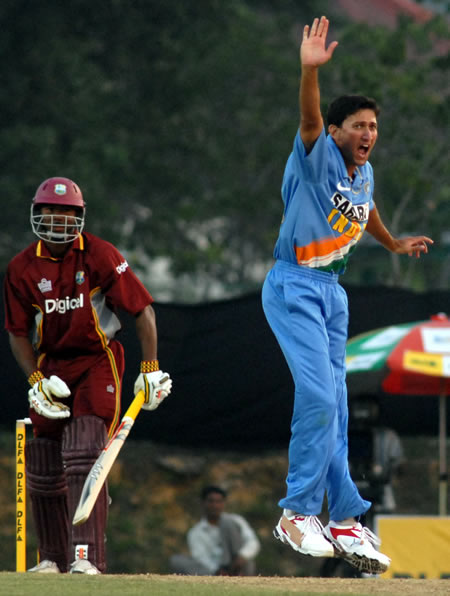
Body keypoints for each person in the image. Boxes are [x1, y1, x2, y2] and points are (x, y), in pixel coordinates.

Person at [261, 16, 433, 575]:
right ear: (335, 131)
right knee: (319, 398)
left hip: (333, 294)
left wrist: (394, 244)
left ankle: (343, 519)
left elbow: (367, 211)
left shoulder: (363, 172)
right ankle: (297, 511)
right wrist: (309, 72)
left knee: (335, 411)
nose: (368, 132)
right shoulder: (317, 155)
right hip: (294, 286)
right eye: (358, 125)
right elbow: (310, 116)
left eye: (373, 125)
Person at [3, 177, 172, 574]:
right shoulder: (21, 268)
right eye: (50, 210)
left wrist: (150, 369)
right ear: (36, 213)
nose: (58, 218)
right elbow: (16, 332)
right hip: (51, 365)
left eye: (66, 212)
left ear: (79, 216)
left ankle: (86, 558)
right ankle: (52, 559)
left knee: (82, 454)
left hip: (98, 359)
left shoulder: (99, 254)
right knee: (43, 464)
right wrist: (35, 381)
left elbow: (143, 310)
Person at [170, 485, 261, 576]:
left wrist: (242, 557)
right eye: (211, 501)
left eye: (219, 502)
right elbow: (201, 558)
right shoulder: (195, 532)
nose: (215, 506)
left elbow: (253, 542)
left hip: (238, 566)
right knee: (176, 561)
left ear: (224, 503)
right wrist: (217, 570)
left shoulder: (236, 520)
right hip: (214, 572)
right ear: (203, 503)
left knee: (227, 522)